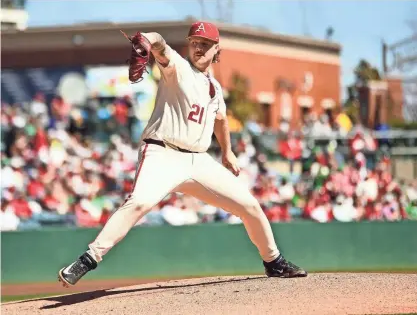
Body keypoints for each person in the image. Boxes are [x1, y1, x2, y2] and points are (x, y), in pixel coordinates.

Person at [58, 21, 307, 287]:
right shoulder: (177, 67)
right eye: (195, 42)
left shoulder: (215, 87)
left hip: (198, 160)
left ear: (216, 49)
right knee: (139, 202)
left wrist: (228, 152)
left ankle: (274, 262)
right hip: (162, 153)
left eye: (205, 44)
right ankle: (87, 259)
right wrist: (145, 40)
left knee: (249, 206)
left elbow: (221, 120)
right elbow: (158, 43)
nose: (199, 48)